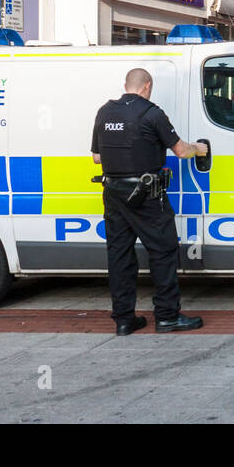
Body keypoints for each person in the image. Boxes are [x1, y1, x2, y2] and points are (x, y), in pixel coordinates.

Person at [92, 68, 207, 336]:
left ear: (126, 85)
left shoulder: (104, 112)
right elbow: (181, 151)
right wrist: (199, 149)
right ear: (147, 86)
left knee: (119, 254)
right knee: (163, 251)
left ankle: (123, 319)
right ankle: (167, 316)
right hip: (147, 194)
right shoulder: (152, 113)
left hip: (113, 193)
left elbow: (97, 158)